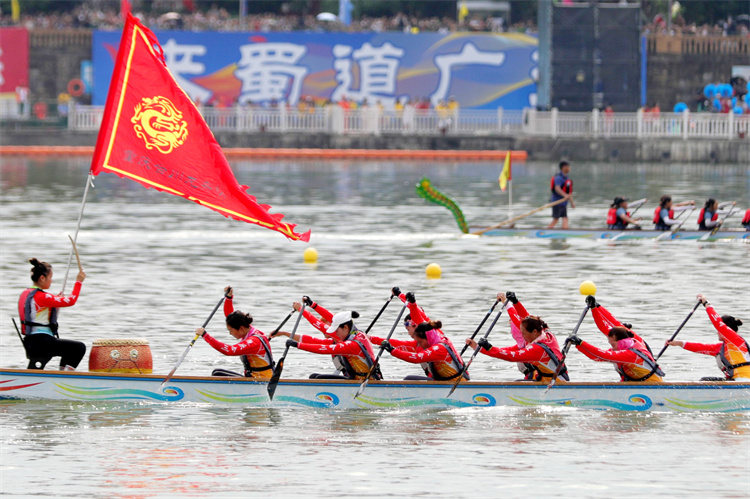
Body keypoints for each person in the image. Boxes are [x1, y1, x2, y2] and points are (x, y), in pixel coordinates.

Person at [465, 291, 569, 382]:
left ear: (534, 332)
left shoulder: (536, 349)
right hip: (551, 379)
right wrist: (515, 302)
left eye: (523, 333)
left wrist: (490, 348)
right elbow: (527, 319)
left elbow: (511, 356)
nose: (522, 336)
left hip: (557, 383)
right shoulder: (546, 333)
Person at [568, 297, 663, 382]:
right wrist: (595, 308)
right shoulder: (626, 341)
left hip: (651, 385)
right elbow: (596, 356)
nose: (611, 347)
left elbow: (602, 355)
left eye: (612, 344)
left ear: (619, 341)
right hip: (634, 384)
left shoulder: (631, 354)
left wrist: (581, 342)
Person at [17, 258, 87, 370]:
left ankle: (61, 375)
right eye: (50, 278)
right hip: (42, 342)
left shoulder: (25, 293)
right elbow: (71, 300)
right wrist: (78, 282)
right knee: (78, 348)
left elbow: (39, 309)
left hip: (30, 341)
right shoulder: (42, 296)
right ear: (42, 278)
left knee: (67, 349)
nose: (51, 281)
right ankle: (65, 378)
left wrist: (57, 300)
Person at [274, 308, 381, 380]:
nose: (335, 333)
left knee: (316, 378)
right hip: (356, 379)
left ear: (346, 328)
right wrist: (313, 305)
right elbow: (315, 341)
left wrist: (297, 345)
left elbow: (323, 349)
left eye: (336, 330)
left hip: (367, 381)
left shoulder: (352, 345)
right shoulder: (356, 334)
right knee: (314, 376)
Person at [196, 287, 274, 380]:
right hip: (253, 378)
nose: (230, 333)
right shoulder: (247, 329)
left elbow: (229, 350)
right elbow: (230, 316)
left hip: (263, 381)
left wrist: (205, 336)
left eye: (231, 331)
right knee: (217, 373)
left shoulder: (254, 342)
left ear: (240, 328)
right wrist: (228, 299)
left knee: (217, 374)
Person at [666, 294, 749, 381]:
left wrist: (706, 304)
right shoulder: (722, 348)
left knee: (705, 381)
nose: (717, 332)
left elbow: (717, 322)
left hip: (745, 380)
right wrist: (678, 343)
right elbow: (701, 347)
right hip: (735, 380)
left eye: (719, 330)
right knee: (704, 380)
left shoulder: (736, 340)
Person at [380, 319, 468, 381]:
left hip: (456, 384)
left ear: (428, 338)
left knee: (409, 380)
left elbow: (416, 358)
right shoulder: (437, 342)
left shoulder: (439, 349)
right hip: (446, 382)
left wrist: (392, 350)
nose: (420, 345)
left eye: (420, 342)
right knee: (410, 379)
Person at [547, 161, 574, 229]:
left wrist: (572, 203)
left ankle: (565, 232)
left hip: (563, 203)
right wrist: (565, 195)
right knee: (556, 219)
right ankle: (546, 231)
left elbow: (569, 192)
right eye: (568, 167)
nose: (569, 168)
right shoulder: (558, 178)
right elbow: (557, 188)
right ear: (564, 167)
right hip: (557, 202)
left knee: (565, 218)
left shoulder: (567, 178)